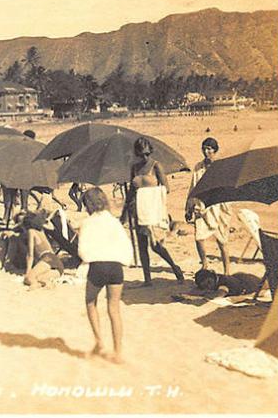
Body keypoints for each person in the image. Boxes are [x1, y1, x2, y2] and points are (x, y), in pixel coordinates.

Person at [77, 187, 131, 364]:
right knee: (114, 309)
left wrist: (89, 258)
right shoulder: (114, 221)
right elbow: (125, 245)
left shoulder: (87, 222)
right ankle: (118, 352)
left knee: (90, 301)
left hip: (98, 266)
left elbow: (82, 250)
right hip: (116, 267)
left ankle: (99, 342)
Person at [126, 137, 184, 286]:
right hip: (138, 210)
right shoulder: (134, 168)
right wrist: (125, 212)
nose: (144, 157)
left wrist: (147, 194)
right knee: (142, 245)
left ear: (150, 151)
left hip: (152, 211)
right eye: (141, 154)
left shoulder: (156, 166)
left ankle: (174, 266)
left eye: (147, 153)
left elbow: (166, 188)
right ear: (137, 153)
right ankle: (147, 279)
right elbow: (131, 191)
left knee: (155, 245)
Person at [187, 137, 233, 275]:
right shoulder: (198, 167)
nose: (206, 151)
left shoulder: (222, 166)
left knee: (222, 241)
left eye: (209, 148)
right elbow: (193, 187)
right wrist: (189, 207)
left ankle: (227, 271)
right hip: (202, 205)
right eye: (204, 148)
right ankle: (205, 264)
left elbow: (228, 187)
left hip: (219, 206)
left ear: (215, 150)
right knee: (199, 237)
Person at [192, 269, 262, 298]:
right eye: (206, 286)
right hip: (240, 278)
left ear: (212, 277)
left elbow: (220, 294)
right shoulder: (218, 277)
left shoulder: (222, 283)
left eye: (209, 282)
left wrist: (204, 294)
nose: (209, 286)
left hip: (249, 285)